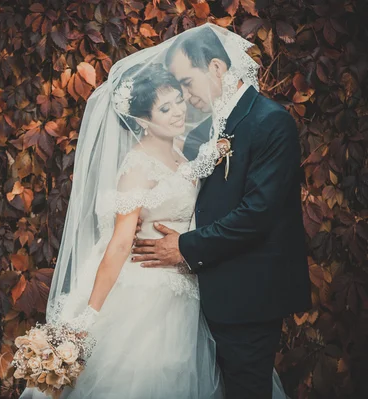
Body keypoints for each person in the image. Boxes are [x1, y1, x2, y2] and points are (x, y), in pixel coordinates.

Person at [17, 24, 293, 399]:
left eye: (181, 93)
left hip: (195, 290)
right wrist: (88, 319)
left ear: (215, 68)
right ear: (143, 120)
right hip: (147, 288)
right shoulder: (137, 167)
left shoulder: (199, 145)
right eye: (167, 105)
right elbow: (118, 244)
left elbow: (244, 205)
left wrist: (188, 245)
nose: (182, 106)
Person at [131, 25, 312, 399]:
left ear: (216, 67)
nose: (185, 95)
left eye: (187, 82)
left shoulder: (270, 122)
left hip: (249, 296)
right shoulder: (207, 131)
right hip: (203, 293)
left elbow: (256, 215)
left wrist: (185, 246)